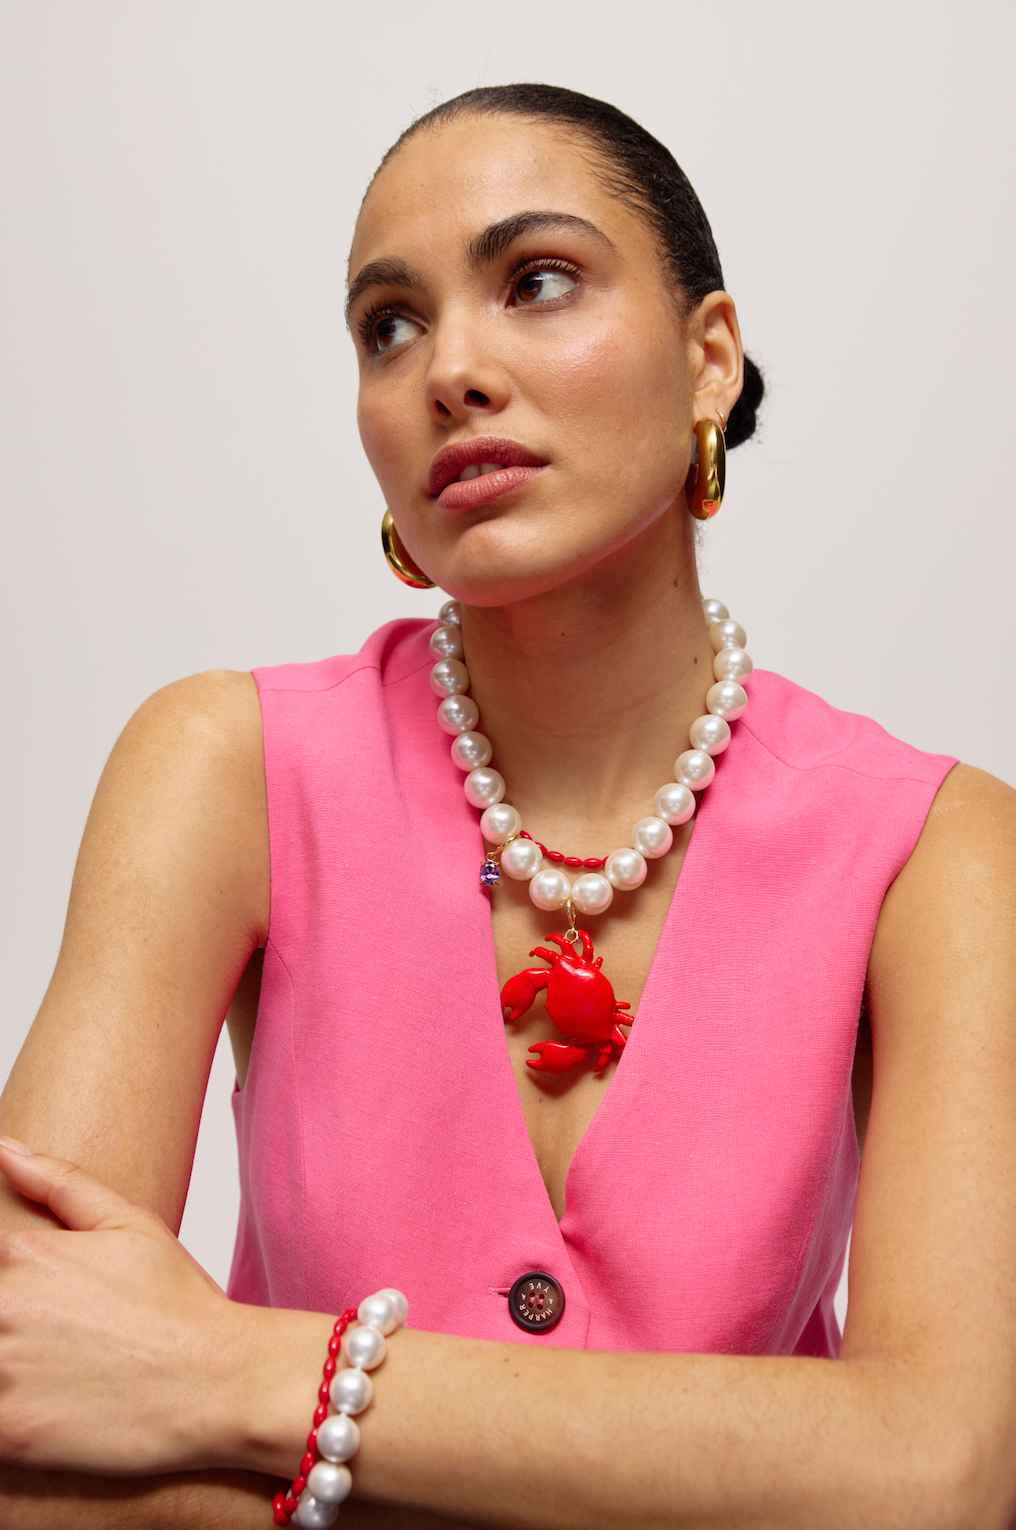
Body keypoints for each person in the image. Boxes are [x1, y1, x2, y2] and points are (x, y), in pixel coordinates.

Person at [1, 82, 1014, 1530]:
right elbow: (31, 1412)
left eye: (537, 282)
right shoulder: (225, 766)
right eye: (388, 325)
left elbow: (940, 1471)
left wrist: (230, 1372)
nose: (451, 369)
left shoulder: (936, 850)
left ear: (710, 361)